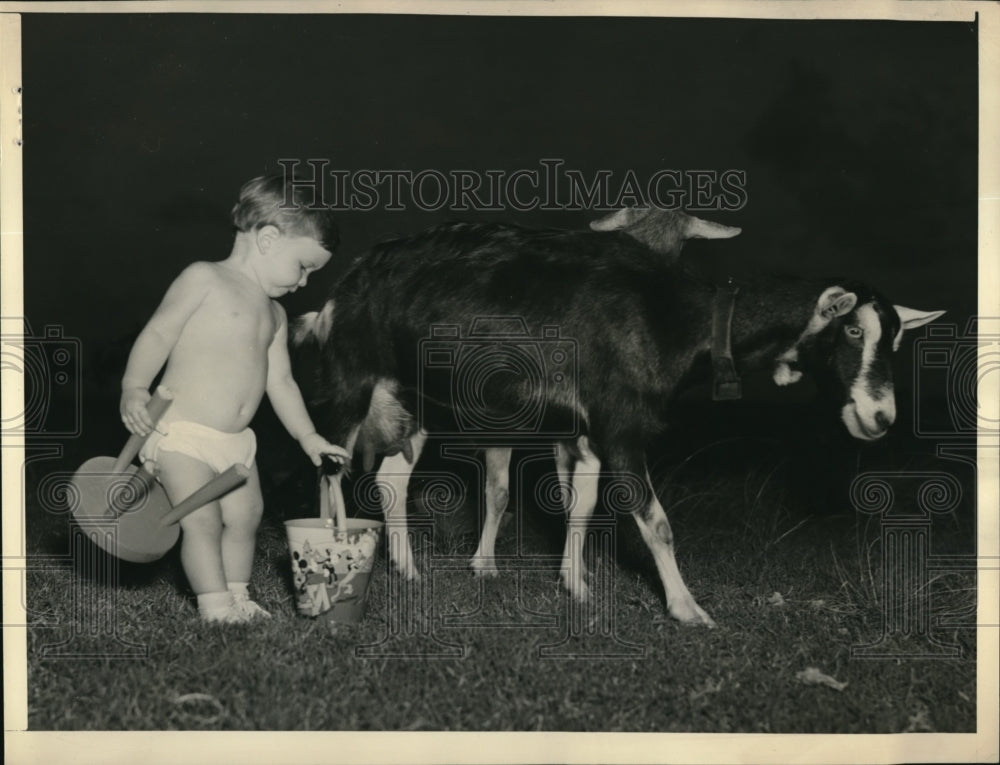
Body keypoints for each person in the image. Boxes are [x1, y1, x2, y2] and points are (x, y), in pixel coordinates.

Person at [120, 175, 348, 623]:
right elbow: (159, 333)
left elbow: (280, 382)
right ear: (267, 239)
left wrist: (309, 437)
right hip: (182, 432)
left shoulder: (276, 313)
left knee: (246, 518)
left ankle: (239, 598)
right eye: (303, 266)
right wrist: (134, 387)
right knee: (200, 519)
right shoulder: (204, 278)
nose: (303, 283)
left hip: (236, 443)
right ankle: (215, 606)